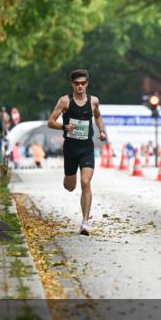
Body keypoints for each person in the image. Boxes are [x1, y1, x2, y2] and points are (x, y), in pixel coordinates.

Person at [47, 69, 107, 236]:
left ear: (87, 83)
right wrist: (63, 127)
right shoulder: (65, 101)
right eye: (77, 84)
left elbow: (98, 116)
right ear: (72, 84)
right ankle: (67, 177)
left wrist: (101, 130)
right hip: (71, 148)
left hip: (87, 147)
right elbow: (50, 122)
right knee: (70, 186)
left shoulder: (93, 101)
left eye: (83, 83)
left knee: (86, 182)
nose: (80, 86)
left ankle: (85, 222)